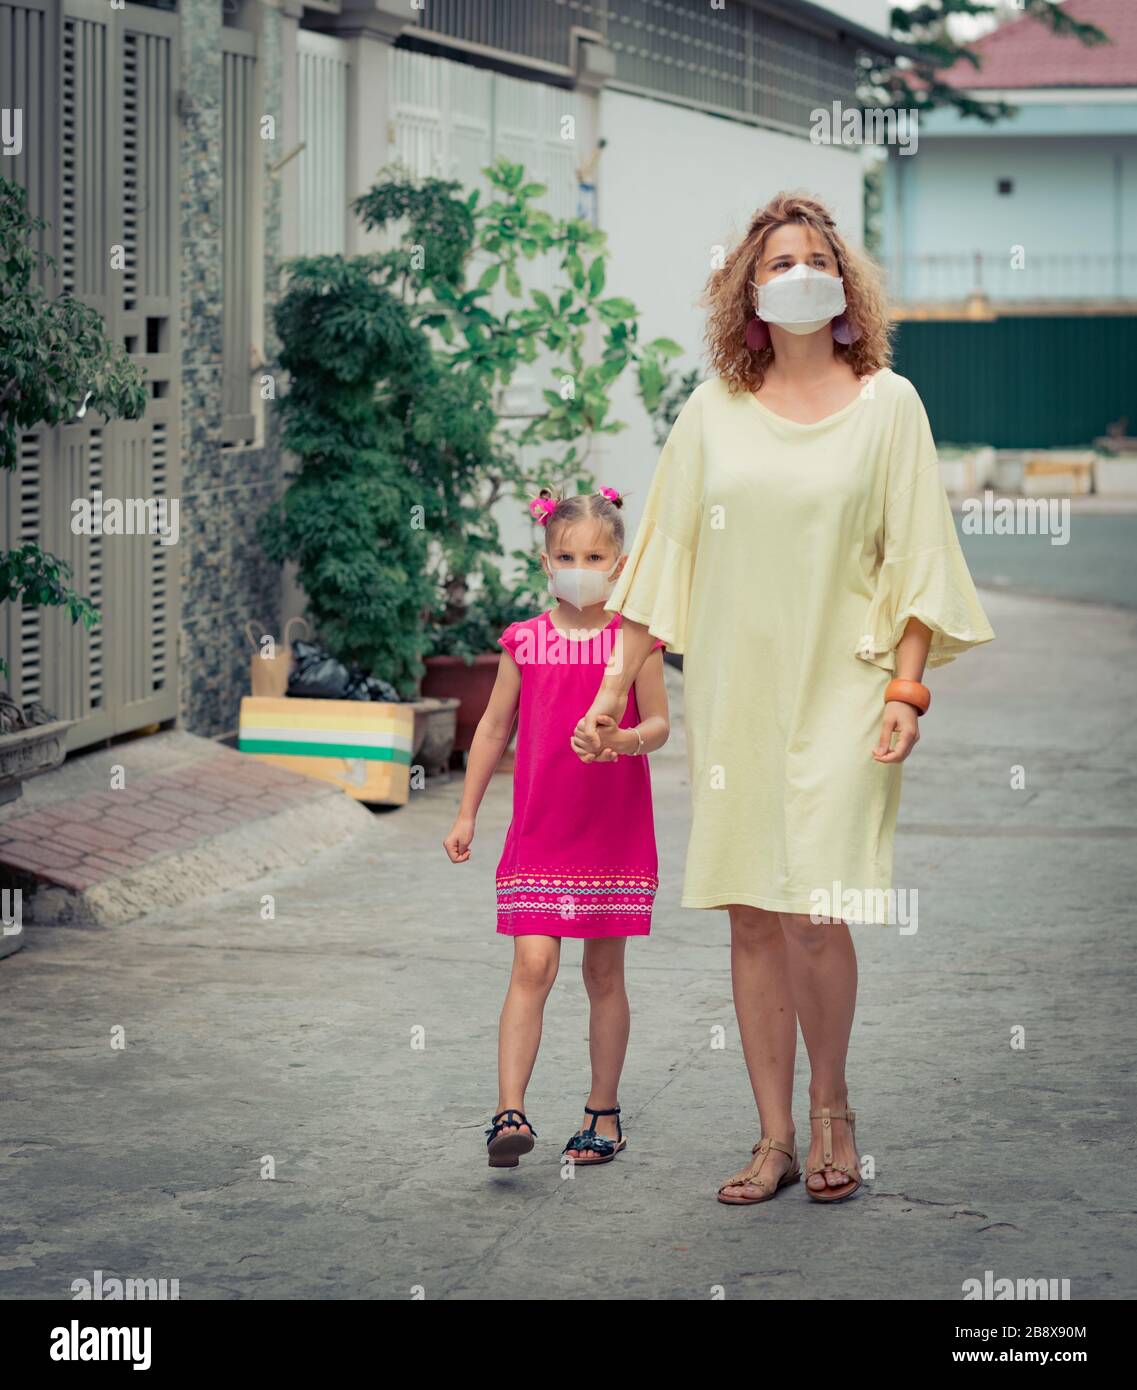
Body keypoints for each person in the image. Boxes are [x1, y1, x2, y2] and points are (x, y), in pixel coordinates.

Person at [572, 192, 995, 1205]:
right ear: (749, 293)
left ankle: (832, 1110)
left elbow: (920, 560)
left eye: (817, 256)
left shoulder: (890, 403)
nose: (800, 271)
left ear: (843, 283)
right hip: (737, 696)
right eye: (778, 262)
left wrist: (908, 687)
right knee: (753, 915)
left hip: (848, 691)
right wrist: (611, 689)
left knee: (819, 909)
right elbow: (663, 558)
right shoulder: (712, 410)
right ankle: (771, 1139)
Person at [443, 486, 670, 1169]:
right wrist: (465, 813)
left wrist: (623, 741)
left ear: (619, 563)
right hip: (538, 834)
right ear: (545, 563)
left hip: (612, 834)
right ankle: (508, 1111)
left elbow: (658, 726)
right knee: (532, 965)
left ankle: (602, 1112)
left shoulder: (635, 644)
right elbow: (491, 728)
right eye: (566, 554)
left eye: (593, 555)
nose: (579, 565)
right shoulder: (525, 640)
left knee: (603, 973)